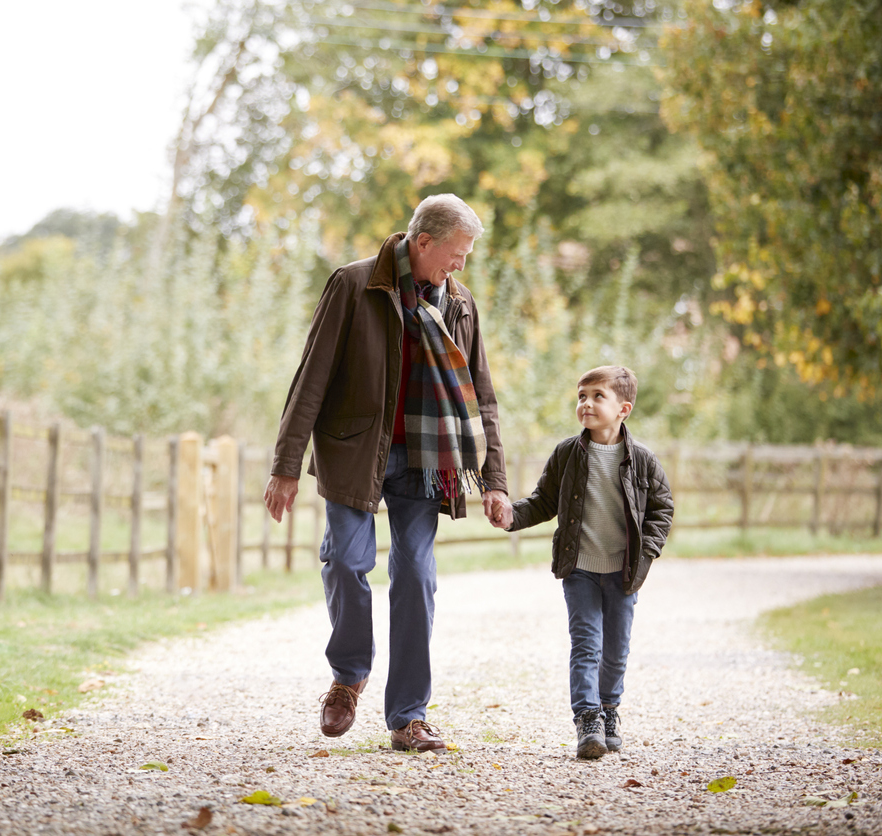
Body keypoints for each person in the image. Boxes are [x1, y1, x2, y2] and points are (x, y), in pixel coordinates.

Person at [264, 194, 510, 753]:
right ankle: (348, 677)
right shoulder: (354, 286)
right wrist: (286, 466)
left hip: (428, 461)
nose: (460, 266)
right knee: (348, 562)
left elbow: (482, 399)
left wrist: (494, 480)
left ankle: (408, 717)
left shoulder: (461, 305)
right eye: (456, 253)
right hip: (355, 451)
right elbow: (311, 379)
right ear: (422, 242)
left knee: (417, 580)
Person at [492, 365, 673, 759]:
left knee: (616, 649)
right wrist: (512, 516)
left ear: (623, 409)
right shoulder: (566, 455)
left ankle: (609, 709)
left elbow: (662, 508)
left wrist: (648, 551)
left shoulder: (642, 460)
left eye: (597, 396)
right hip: (579, 568)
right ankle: (587, 717)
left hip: (624, 571)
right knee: (586, 644)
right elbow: (543, 501)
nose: (586, 404)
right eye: (581, 396)